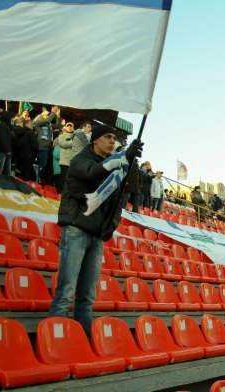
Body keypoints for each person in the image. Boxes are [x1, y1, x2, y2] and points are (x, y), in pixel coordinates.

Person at [49, 125, 143, 338]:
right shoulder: (80, 160)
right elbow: (92, 172)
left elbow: (119, 200)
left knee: (87, 298)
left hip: (96, 235)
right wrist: (121, 157)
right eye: (108, 137)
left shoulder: (115, 166)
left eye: (114, 138)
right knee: (65, 292)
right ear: (95, 141)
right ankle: (56, 338)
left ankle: (83, 341)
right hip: (76, 229)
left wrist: (110, 227)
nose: (112, 141)